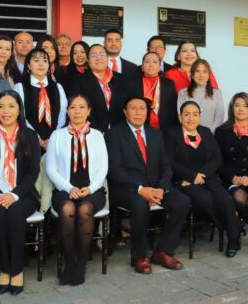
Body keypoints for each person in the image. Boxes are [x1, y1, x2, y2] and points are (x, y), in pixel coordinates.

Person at [106, 97, 190, 274]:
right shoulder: (115, 134)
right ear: (125, 112)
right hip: (127, 188)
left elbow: (166, 165)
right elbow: (114, 169)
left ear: (147, 112)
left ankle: (163, 251)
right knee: (139, 204)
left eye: (142, 109)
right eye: (133, 108)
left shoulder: (155, 134)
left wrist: (162, 188)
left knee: (182, 201)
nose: (138, 112)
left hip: (156, 186)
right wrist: (140, 189)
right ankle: (140, 255)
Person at [0, 90, 40, 295]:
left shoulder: (29, 135)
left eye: (11, 106)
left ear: (19, 109)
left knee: (14, 214)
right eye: (1, 106)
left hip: (22, 194)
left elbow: (33, 172)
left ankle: (17, 269)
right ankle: (5, 268)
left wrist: (13, 195)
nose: (6, 111)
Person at [45, 93, 108, 285]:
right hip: (64, 190)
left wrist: (90, 188)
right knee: (67, 208)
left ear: (89, 111)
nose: (77, 111)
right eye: (73, 107)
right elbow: (51, 168)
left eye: (82, 107)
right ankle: (69, 263)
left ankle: (81, 263)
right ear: (67, 111)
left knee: (85, 209)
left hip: (93, 190)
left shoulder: (97, 135)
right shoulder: (57, 135)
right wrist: (69, 187)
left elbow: (103, 167)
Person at [167, 101, 240, 257]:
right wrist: (192, 177)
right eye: (186, 114)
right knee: (204, 200)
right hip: (184, 180)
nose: (191, 118)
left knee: (225, 198)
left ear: (200, 117)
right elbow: (170, 161)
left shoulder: (205, 132)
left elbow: (216, 159)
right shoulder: (171, 134)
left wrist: (201, 175)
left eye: (195, 114)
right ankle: (232, 229)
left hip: (206, 177)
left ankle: (233, 239)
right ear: (180, 117)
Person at [13, 48, 68, 152]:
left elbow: (63, 115)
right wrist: (36, 138)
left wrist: (53, 138)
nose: (41, 64)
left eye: (45, 61)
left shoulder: (58, 87)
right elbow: (20, 116)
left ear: (49, 66)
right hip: (29, 142)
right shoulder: (20, 87)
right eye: (36, 60)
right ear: (28, 65)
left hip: (55, 143)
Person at [74, 44, 127, 131]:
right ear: (88, 60)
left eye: (102, 54)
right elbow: (78, 109)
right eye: (93, 55)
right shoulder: (79, 81)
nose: (98, 58)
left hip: (118, 133)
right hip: (91, 133)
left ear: (107, 58)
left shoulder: (120, 79)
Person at [215, 93, 248, 226]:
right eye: (237, 105)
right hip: (230, 179)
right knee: (240, 197)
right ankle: (237, 228)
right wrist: (232, 177)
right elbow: (218, 161)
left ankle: (238, 226)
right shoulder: (221, 131)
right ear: (231, 108)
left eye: (245, 106)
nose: (240, 109)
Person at [130, 52, 179, 131]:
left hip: (164, 128)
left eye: (155, 62)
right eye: (147, 62)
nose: (151, 65)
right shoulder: (133, 84)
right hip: (139, 127)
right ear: (142, 67)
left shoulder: (169, 84)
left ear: (159, 67)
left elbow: (173, 109)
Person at [177, 60, 225, 130]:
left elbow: (219, 117)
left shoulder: (217, 93)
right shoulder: (183, 93)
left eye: (205, 72)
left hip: (211, 136)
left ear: (209, 75)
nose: (201, 75)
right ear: (192, 75)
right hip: (189, 136)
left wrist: (208, 133)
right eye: (197, 71)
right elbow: (181, 116)